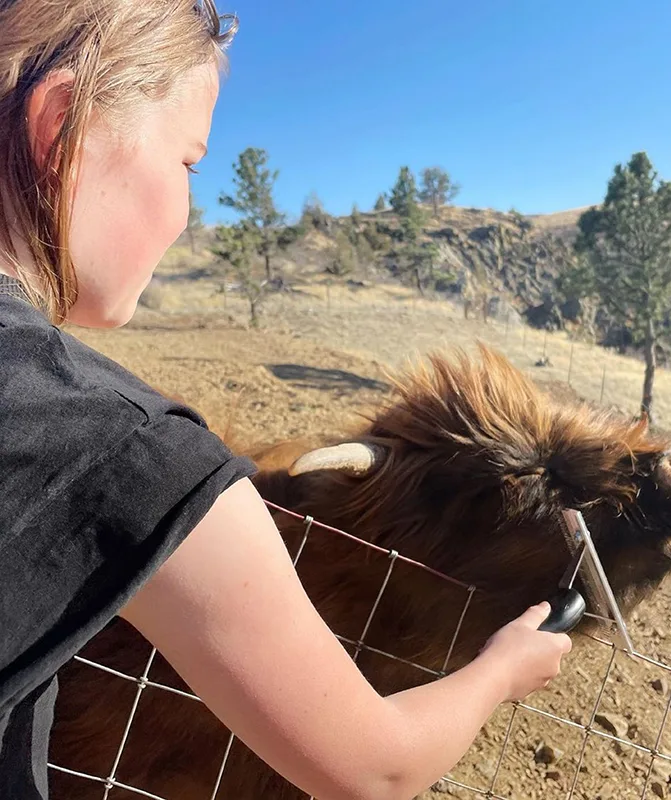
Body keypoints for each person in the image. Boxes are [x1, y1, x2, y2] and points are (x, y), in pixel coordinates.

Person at [0, 2, 573, 798]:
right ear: (60, 130)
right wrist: (502, 672)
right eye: (189, 162)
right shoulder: (128, 457)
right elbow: (378, 767)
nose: (188, 208)